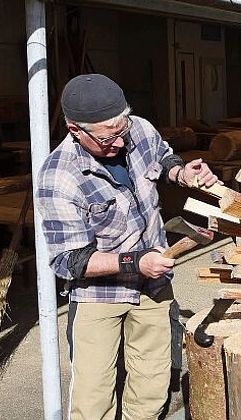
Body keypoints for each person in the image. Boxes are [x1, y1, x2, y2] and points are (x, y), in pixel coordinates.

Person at [35, 73, 219, 419]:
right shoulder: (60, 177)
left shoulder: (137, 129)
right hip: (97, 297)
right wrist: (137, 262)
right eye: (108, 138)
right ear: (76, 130)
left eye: (122, 130)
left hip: (153, 285)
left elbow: (163, 157)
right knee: (93, 400)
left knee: (152, 385)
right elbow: (70, 261)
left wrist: (182, 173)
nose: (120, 142)